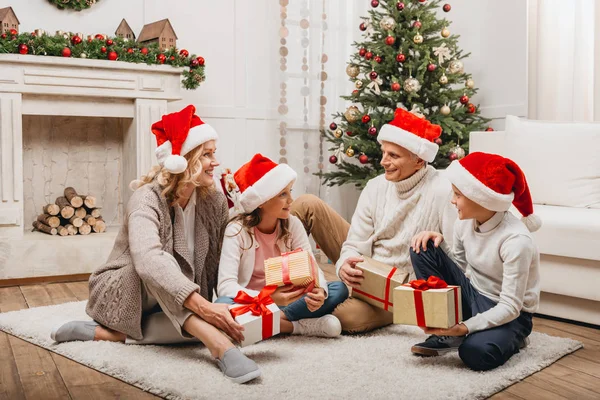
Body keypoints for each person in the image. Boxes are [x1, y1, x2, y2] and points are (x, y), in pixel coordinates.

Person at [50, 105, 261, 384]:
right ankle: (219, 346)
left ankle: (108, 334)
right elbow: (149, 260)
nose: (215, 162)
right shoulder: (146, 198)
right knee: (160, 263)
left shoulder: (214, 201)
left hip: (175, 302)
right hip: (127, 289)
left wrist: (230, 299)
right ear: (186, 160)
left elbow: (222, 257)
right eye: (207, 154)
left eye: (214, 153)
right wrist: (204, 308)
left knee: (198, 319)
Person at [290, 108, 457, 333]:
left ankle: (315, 288)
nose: (383, 162)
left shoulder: (442, 190)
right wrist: (344, 264)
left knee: (347, 318)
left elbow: (456, 256)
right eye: (384, 153)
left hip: (400, 288)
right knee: (306, 203)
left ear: (418, 161)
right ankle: (280, 280)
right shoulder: (376, 186)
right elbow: (353, 244)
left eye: (393, 156)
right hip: (366, 267)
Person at [409, 151, 541, 371]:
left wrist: (465, 327)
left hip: (511, 313)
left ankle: (514, 338)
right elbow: (460, 267)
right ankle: (450, 329)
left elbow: (510, 306)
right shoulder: (465, 222)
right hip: (474, 294)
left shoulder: (516, 241)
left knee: (475, 353)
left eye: (458, 194)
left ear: (482, 198)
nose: (452, 200)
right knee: (423, 248)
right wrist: (439, 244)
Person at [216, 154, 349, 337]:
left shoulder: (292, 224)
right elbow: (225, 285)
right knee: (221, 304)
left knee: (337, 289)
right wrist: (266, 297)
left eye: (290, 192)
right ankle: (297, 327)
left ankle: (268, 322)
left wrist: (320, 291)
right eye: (283, 194)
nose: (291, 201)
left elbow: (311, 265)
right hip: (254, 301)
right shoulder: (236, 231)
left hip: (288, 301)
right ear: (262, 201)